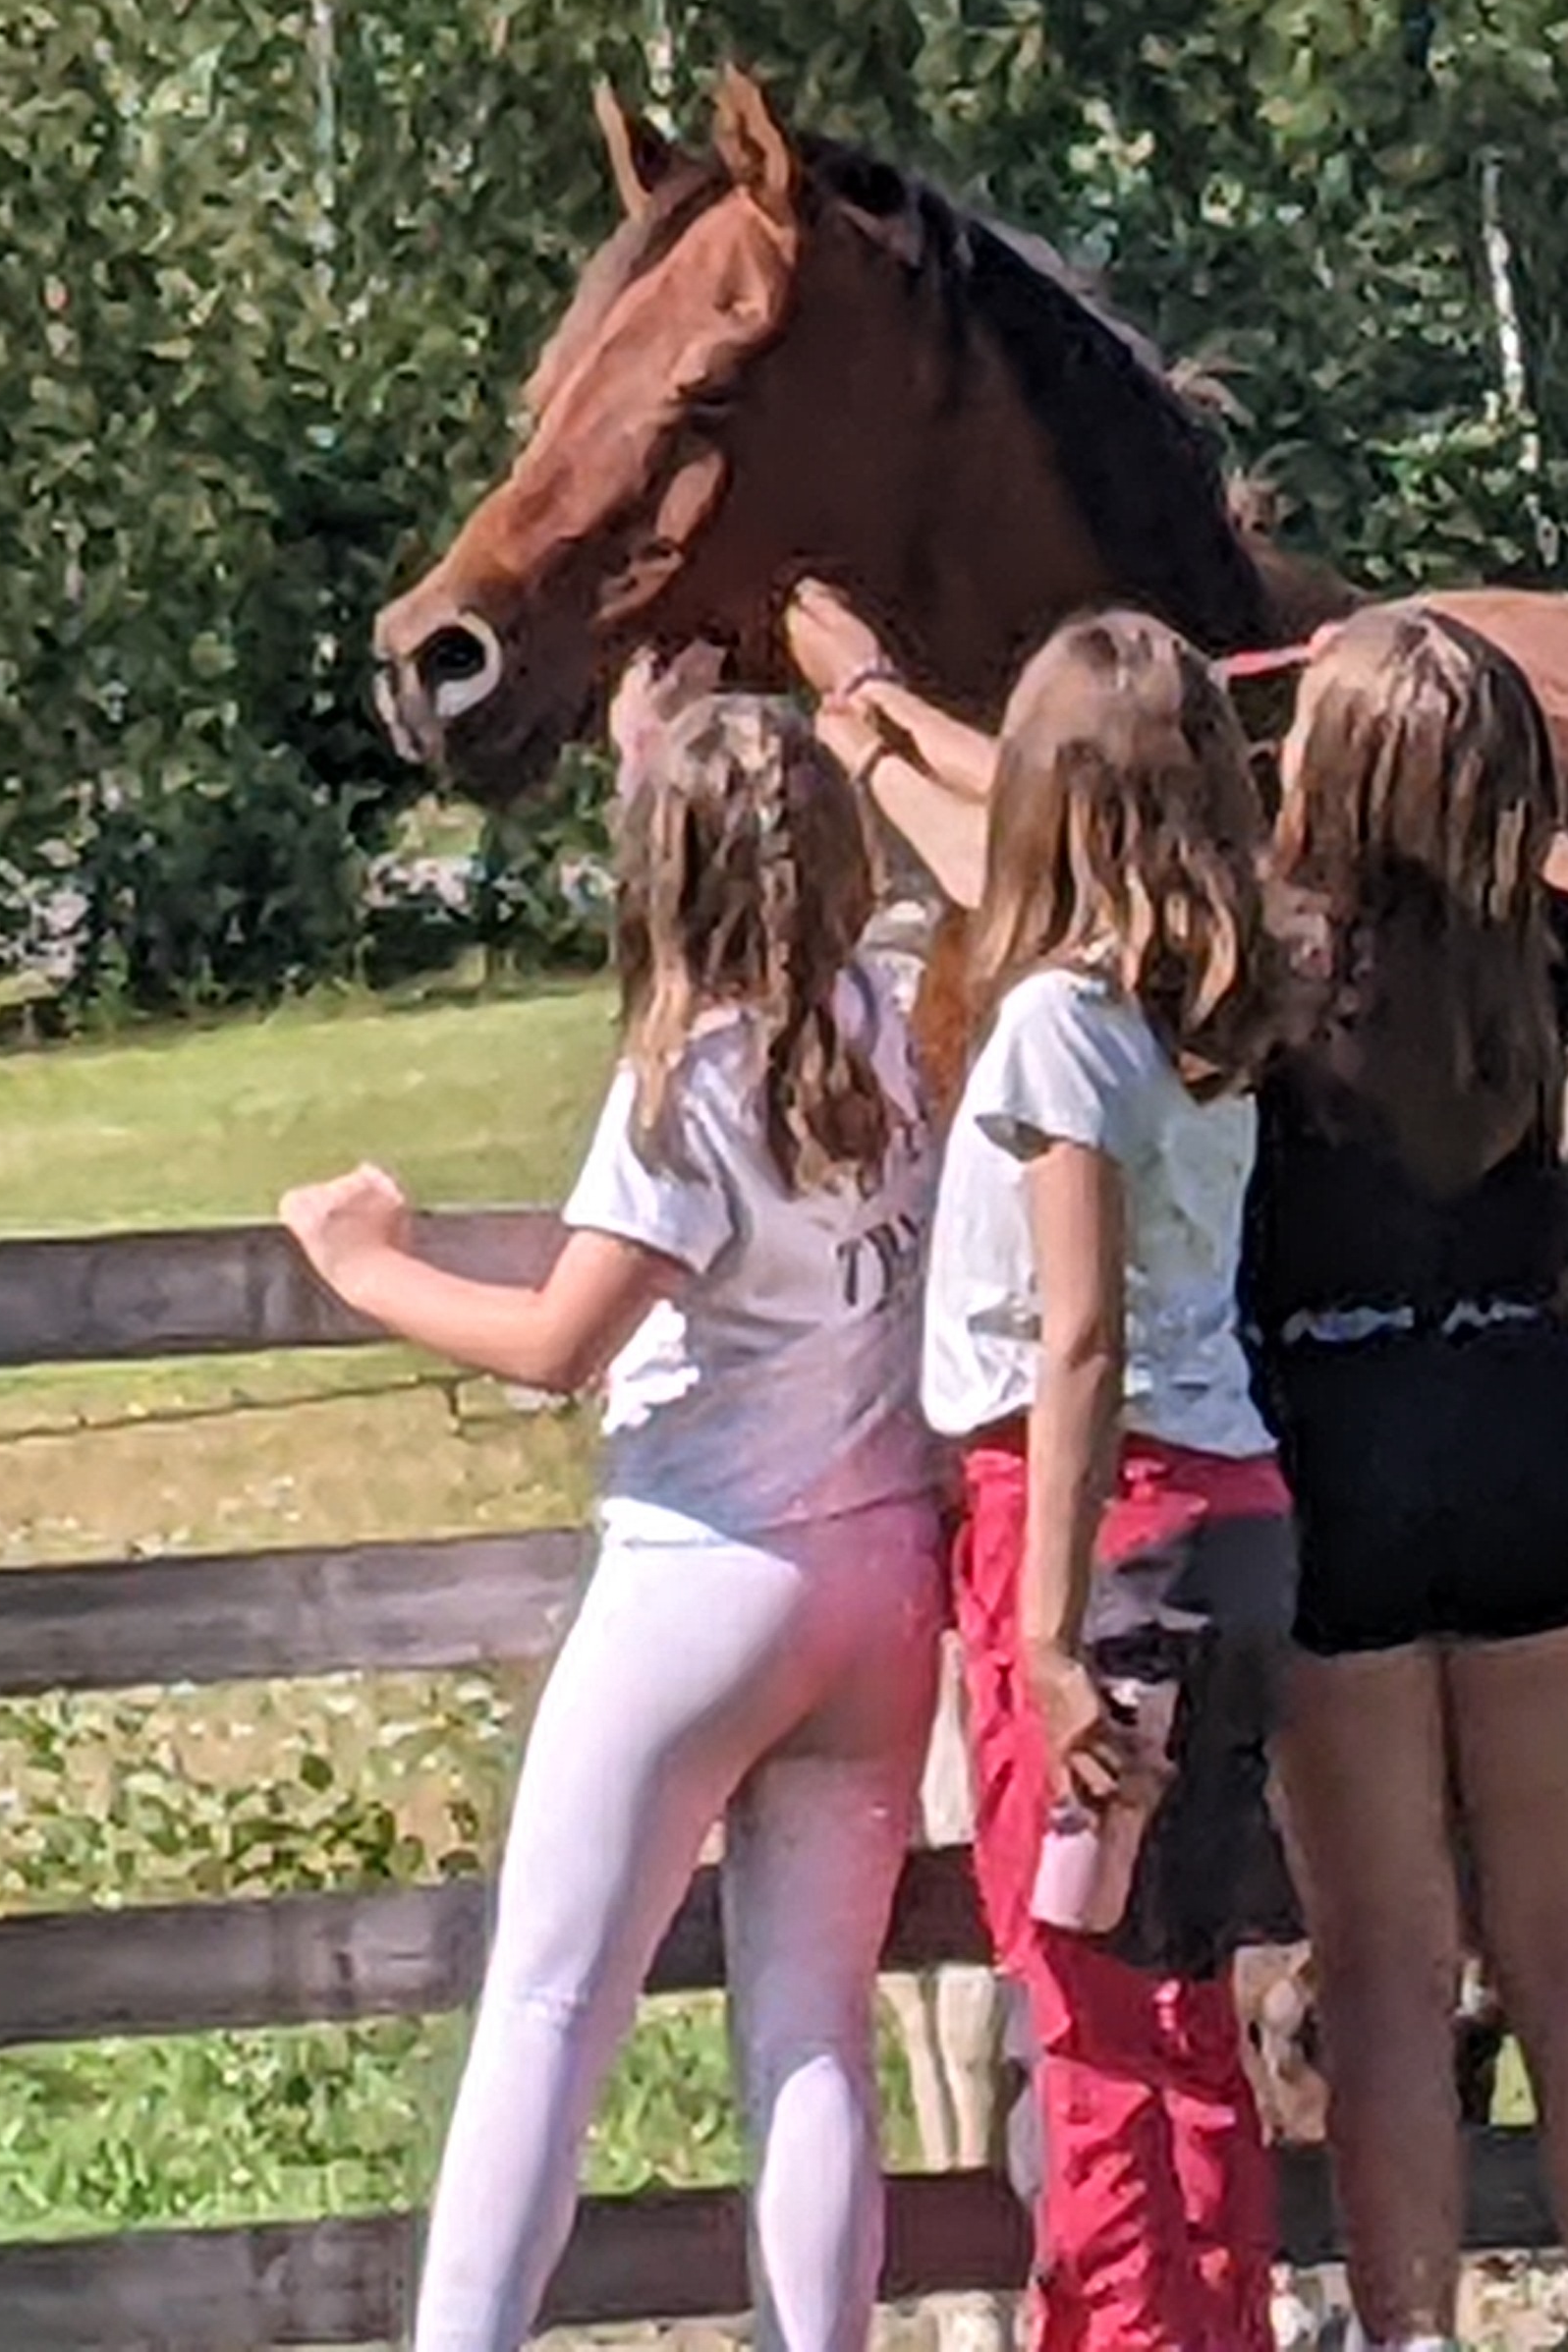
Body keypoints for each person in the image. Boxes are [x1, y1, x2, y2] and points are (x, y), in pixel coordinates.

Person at [280, 682, 943, 2352]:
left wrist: (368, 1268)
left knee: (550, 2009)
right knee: (813, 2034)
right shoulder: (897, 1028)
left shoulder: (691, 1086)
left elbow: (557, 1344)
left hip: (704, 1572)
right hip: (882, 1574)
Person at [1248, 606, 1568, 2352]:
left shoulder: (1260, 969)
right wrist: (1512, 813)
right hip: (1530, 1435)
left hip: (1338, 1457)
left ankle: (1412, 2330)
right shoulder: (1550, 952)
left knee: (1384, 1966)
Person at [902, 606, 1300, 2352]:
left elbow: (1079, 1335)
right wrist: (865, 714)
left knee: (1086, 2018)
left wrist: (1048, 1640)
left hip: (1096, 1529)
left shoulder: (1059, 1028)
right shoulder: (1208, 1022)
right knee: (1182, 1998)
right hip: (1227, 1521)